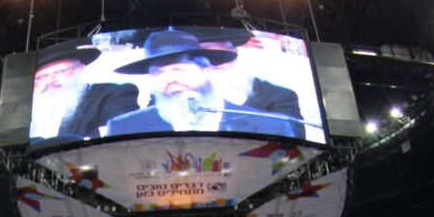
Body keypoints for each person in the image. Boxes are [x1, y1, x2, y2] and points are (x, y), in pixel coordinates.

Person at [106, 30, 296, 137]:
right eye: (159, 73)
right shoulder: (124, 128)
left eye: (178, 70)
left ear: (206, 70)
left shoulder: (270, 126)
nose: (170, 79)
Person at [28, 43, 139, 147]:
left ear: (80, 69)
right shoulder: (27, 111)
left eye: (60, 72)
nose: (50, 81)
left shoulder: (112, 94)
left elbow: (118, 138)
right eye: (41, 77)